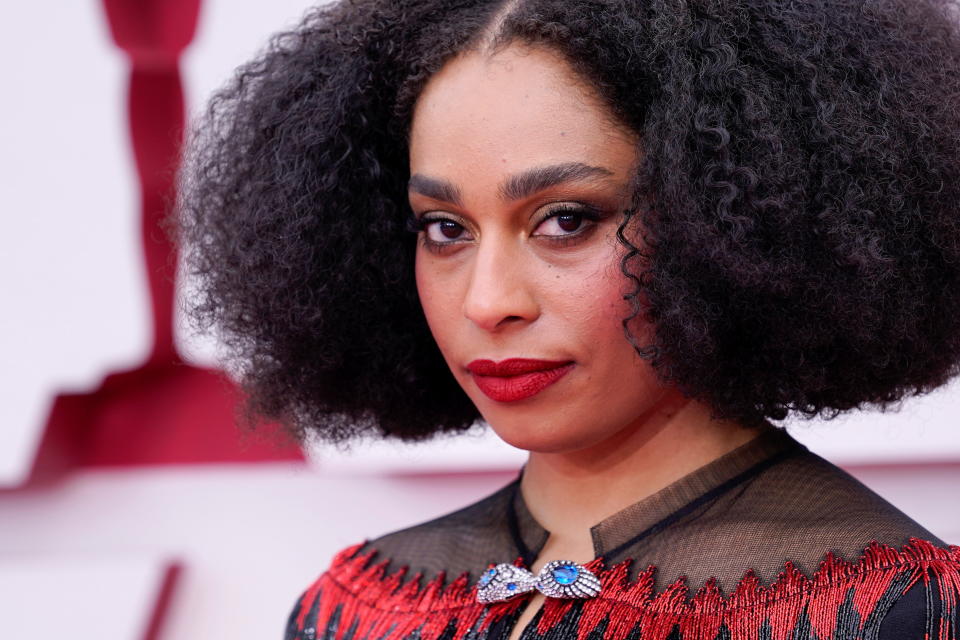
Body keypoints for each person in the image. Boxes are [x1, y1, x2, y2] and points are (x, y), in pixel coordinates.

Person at [173, 0, 960, 638]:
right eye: (444, 229)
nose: (488, 301)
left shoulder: (883, 611)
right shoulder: (353, 611)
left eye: (565, 220)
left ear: (728, 221)